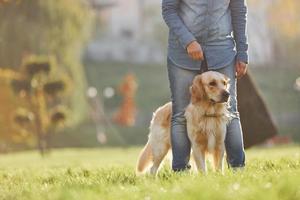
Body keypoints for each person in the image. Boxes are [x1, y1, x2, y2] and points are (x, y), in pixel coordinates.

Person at [162, 0, 248, 171]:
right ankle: (180, 172)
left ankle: (238, 169)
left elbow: (238, 13)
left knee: (230, 112)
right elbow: (169, 11)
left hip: (222, 50)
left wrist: (243, 52)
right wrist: (188, 41)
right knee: (180, 114)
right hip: (182, 52)